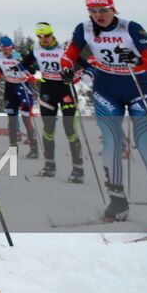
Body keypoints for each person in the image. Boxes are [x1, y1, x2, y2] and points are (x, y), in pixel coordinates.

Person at [59, 0, 147, 235]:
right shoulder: (84, 29)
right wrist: (67, 69)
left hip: (138, 89)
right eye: (93, 11)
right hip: (106, 90)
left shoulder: (130, 28)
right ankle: (118, 201)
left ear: (113, 9)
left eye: (103, 10)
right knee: (111, 145)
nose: (99, 15)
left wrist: (136, 60)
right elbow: (69, 54)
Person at [32, 22, 85, 182]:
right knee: (48, 129)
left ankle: (78, 170)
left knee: (70, 130)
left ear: (52, 34)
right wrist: (28, 72)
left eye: (46, 35)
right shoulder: (35, 50)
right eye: (40, 36)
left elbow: (87, 66)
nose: (43, 39)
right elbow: (27, 66)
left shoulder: (64, 51)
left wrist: (75, 76)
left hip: (66, 91)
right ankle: (49, 166)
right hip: (47, 92)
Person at [0, 36, 39, 158]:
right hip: (9, 88)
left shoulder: (19, 56)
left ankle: (34, 148)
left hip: (22, 87)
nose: (6, 51)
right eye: (3, 48)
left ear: (12, 47)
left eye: (9, 48)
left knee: (26, 120)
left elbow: (32, 70)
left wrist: (29, 71)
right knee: (11, 119)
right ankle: (13, 148)